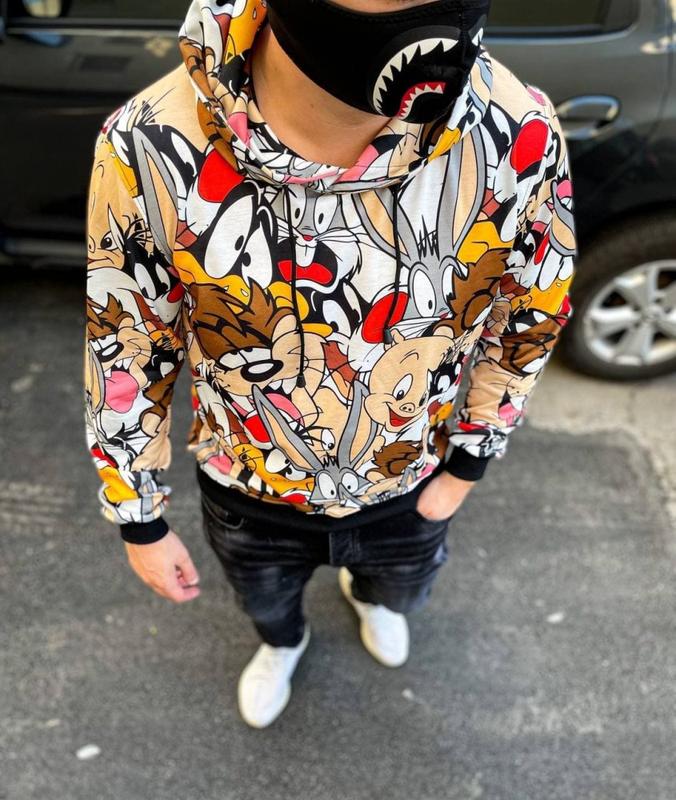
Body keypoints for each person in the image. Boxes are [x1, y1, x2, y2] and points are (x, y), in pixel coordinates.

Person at [84, 0, 577, 728]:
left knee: (400, 588)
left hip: (411, 482)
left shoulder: (517, 131)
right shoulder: (149, 143)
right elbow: (126, 339)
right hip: (247, 488)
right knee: (266, 604)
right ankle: (284, 643)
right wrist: (139, 517)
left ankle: (373, 600)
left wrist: (469, 463)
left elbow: (531, 313)